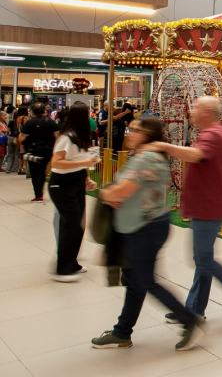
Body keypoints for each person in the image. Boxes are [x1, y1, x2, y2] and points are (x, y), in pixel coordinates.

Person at [92, 117, 203, 351]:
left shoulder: (148, 158)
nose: (129, 133)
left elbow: (122, 191)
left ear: (148, 134)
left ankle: (189, 320)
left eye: (135, 130)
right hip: (138, 226)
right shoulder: (141, 156)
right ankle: (122, 332)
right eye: (129, 129)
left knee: (145, 281)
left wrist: (105, 194)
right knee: (135, 281)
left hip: (146, 228)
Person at [145, 97, 222, 326]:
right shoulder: (214, 133)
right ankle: (194, 310)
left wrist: (164, 146)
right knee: (203, 260)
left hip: (208, 208)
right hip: (207, 207)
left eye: (195, 108)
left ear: (207, 111)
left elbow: (196, 155)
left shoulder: (213, 135)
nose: (191, 111)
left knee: (203, 260)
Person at [48, 102, 99, 281]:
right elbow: (56, 163)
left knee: (77, 225)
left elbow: (79, 160)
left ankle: (71, 263)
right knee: (70, 224)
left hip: (76, 182)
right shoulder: (67, 138)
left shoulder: (80, 138)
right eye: (88, 114)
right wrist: (83, 164)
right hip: (61, 185)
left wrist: (86, 178)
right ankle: (62, 268)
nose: (91, 117)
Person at [19, 102, 59, 202]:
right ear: (44, 110)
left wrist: (23, 149)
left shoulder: (29, 123)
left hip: (33, 150)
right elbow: (57, 137)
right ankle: (41, 191)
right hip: (47, 150)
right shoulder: (51, 122)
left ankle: (38, 194)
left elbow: (21, 138)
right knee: (43, 169)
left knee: (35, 172)